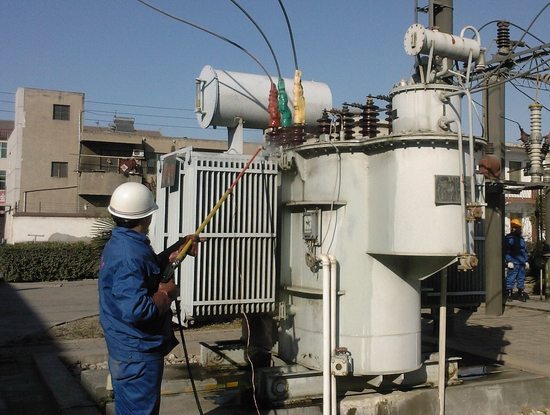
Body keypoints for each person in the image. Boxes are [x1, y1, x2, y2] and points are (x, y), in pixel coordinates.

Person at [99, 182, 202, 415]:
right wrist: (166, 294)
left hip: (126, 348)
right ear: (146, 217)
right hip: (136, 354)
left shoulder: (123, 243)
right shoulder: (129, 254)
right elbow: (136, 310)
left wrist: (177, 249)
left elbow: (144, 271)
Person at [505, 218, 529, 302]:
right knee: (511, 279)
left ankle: (520, 295)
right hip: (514, 262)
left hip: (521, 262)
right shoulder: (509, 238)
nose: (520, 230)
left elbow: (524, 250)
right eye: (518, 228)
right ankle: (509, 295)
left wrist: (526, 261)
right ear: (514, 228)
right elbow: (507, 250)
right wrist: (509, 260)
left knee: (521, 279)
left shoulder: (521, 238)